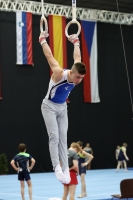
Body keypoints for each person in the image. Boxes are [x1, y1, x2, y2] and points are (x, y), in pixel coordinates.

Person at [39, 31, 86, 184]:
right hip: (49, 107)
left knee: (64, 138)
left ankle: (66, 169)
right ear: (71, 73)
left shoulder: (76, 71)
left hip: (62, 107)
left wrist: (76, 43)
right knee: (54, 137)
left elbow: (77, 58)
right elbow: (49, 57)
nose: (79, 81)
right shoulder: (59, 74)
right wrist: (42, 40)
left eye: (82, 78)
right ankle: (57, 168)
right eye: (78, 77)